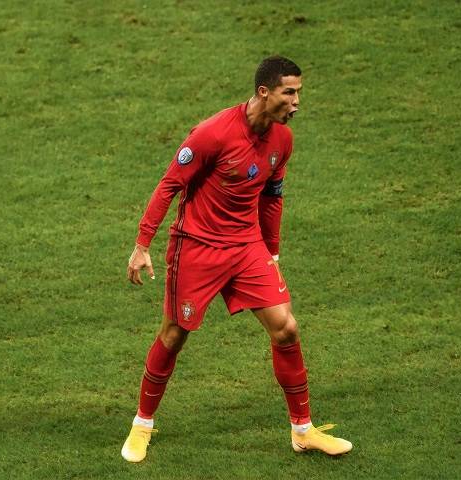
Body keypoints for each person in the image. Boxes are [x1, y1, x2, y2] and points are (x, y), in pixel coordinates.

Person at [121, 55, 352, 462]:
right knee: (174, 335)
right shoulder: (212, 134)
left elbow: (272, 197)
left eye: (299, 92)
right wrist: (143, 245)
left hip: (247, 247)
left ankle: (303, 431)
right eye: (289, 93)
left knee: (286, 329)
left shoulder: (282, 140)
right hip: (197, 246)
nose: (297, 102)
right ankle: (142, 424)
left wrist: (272, 251)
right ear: (264, 92)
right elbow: (169, 184)